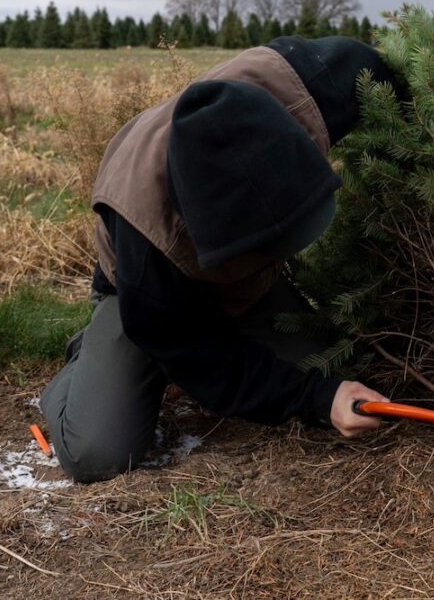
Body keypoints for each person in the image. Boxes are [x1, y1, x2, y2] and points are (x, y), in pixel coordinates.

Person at [40, 36, 402, 483]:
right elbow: (203, 361)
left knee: (334, 368)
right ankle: (90, 354)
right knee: (97, 452)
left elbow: (401, 79)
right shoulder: (147, 248)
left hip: (241, 281)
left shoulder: (312, 87)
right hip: (144, 297)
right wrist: (316, 400)